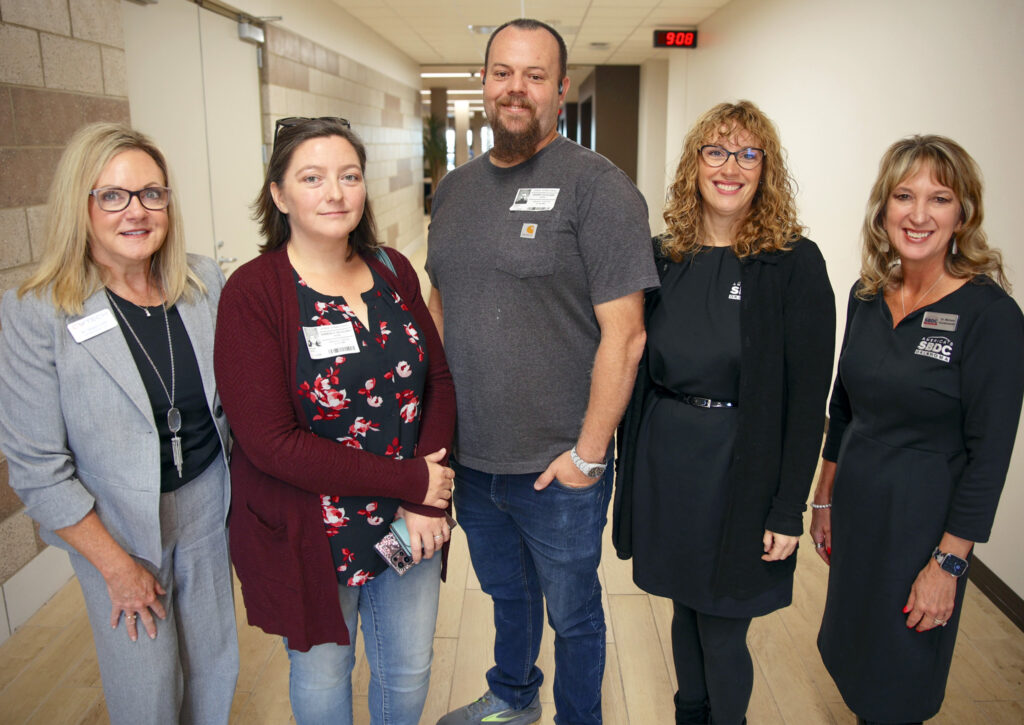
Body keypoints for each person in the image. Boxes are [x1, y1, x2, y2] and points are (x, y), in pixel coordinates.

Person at [428, 19, 658, 725]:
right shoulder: (454, 191)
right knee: (506, 592)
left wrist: (587, 455)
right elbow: (441, 308)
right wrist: (436, 437)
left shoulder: (599, 188)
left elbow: (626, 336)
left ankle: (577, 717)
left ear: (560, 89)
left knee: (575, 612)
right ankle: (512, 694)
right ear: (484, 81)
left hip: (560, 463)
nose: (515, 89)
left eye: (534, 76)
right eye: (503, 73)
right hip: (474, 456)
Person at [214, 117, 456, 725]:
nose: (335, 193)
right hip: (313, 528)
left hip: (406, 523)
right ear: (279, 194)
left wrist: (423, 503)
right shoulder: (254, 292)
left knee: (408, 670)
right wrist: (414, 483)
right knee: (323, 673)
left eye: (349, 176)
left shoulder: (394, 269)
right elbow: (269, 442)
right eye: (313, 177)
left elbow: (439, 382)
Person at [0, 122, 237, 724]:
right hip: (115, 525)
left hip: (208, 501)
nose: (137, 212)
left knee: (215, 663)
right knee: (147, 686)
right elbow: (37, 470)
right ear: (79, 206)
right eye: (113, 196)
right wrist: (116, 567)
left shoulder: (202, 282)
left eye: (151, 194)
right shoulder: (39, 309)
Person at [613, 100, 836, 725]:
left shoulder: (792, 264)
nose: (730, 167)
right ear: (694, 165)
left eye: (747, 153)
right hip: (668, 461)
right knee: (685, 606)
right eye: (716, 151)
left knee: (722, 624)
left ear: (766, 169)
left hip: (743, 468)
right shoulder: (663, 258)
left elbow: (806, 400)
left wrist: (786, 505)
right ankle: (691, 714)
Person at [812, 135, 1024, 725]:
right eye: (904, 195)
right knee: (854, 660)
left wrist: (950, 564)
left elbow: (991, 456)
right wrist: (824, 496)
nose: (920, 214)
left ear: (964, 214)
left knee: (900, 682)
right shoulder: (866, 294)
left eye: (940, 198)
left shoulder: (992, 317)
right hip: (859, 511)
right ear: (884, 207)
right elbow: (845, 403)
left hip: (923, 528)